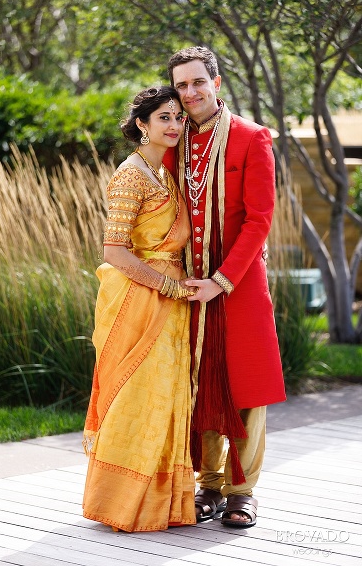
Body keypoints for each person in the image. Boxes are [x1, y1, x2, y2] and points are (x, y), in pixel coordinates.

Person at [164, 46, 286, 528]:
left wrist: (220, 281)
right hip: (185, 286)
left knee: (245, 385)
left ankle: (242, 491)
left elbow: (259, 220)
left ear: (217, 83)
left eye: (197, 82)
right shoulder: (172, 140)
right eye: (181, 85)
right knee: (196, 383)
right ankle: (207, 484)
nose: (189, 93)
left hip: (237, 285)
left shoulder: (251, 137)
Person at [82, 86, 196, 532]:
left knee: (165, 397)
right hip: (139, 299)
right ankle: (121, 503)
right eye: (163, 118)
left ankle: (160, 502)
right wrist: (170, 285)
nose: (173, 125)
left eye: (178, 118)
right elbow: (115, 251)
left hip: (169, 302)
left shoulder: (165, 175)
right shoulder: (132, 176)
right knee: (136, 395)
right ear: (142, 125)